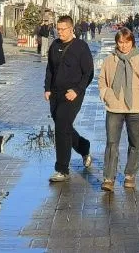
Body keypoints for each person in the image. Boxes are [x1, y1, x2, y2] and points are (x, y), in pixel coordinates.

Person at [99, 28, 139, 192]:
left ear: (132, 42)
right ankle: (108, 178)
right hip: (114, 107)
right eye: (120, 42)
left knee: (135, 143)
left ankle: (130, 174)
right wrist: (105, 94)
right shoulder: (110, 60)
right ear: (117, 42)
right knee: (111, 143)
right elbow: (102, 79)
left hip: (136, 107)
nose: (123, 46)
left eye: (127, 42)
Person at [45, 14, 94, 182]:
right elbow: (50, 69)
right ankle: (84, 147)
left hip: (73, 94)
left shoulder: (81, 47)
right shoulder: (54, 45)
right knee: (63, 126)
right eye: (57, 29)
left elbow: (88, 73)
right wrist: (47, 88)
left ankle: (62, 169)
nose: (59, 32)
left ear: (71, 29)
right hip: (56, 94)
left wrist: (77, 90)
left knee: (61, 127)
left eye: (63, 29)